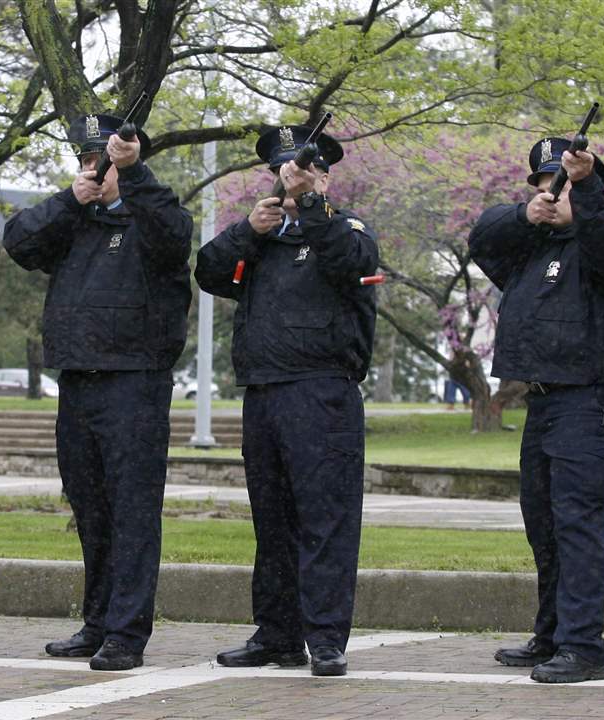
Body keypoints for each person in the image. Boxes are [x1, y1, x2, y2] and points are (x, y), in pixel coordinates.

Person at [2, 113, 192, 671]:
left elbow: (176, 235)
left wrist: (132, 175)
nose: (91, 171)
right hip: (78, 379)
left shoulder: (153, 216)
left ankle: (127, 633)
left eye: (99, 162)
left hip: (135, 382)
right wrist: (69, 198)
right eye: (84, 162)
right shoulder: (73, 221)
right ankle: (98, 620)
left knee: (132, 510)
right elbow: (17, 241)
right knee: (90, 507)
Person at [195, 125, 378, 677]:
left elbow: (352, 263)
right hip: (265, 391)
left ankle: (324, 637)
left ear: (324, 175)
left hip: (322, 392)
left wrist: (313, 207)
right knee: (271, 521)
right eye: (283, 171)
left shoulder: (346, 227)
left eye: (304, 170)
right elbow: (208, 272)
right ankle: (276, 634)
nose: (292, 178)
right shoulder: (262, 235)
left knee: (325, 518)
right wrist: (247, 231)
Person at [469, 137, 604, 683]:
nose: (551, 196)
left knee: (577, 523)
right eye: (543, 187)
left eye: (559, 187)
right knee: (542, 523)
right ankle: (551, 637)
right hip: (545, 399)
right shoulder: (530, 251)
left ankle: (584, 647)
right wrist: (525, 213)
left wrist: (585, 183)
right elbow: (483, 240)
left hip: (589, 397)